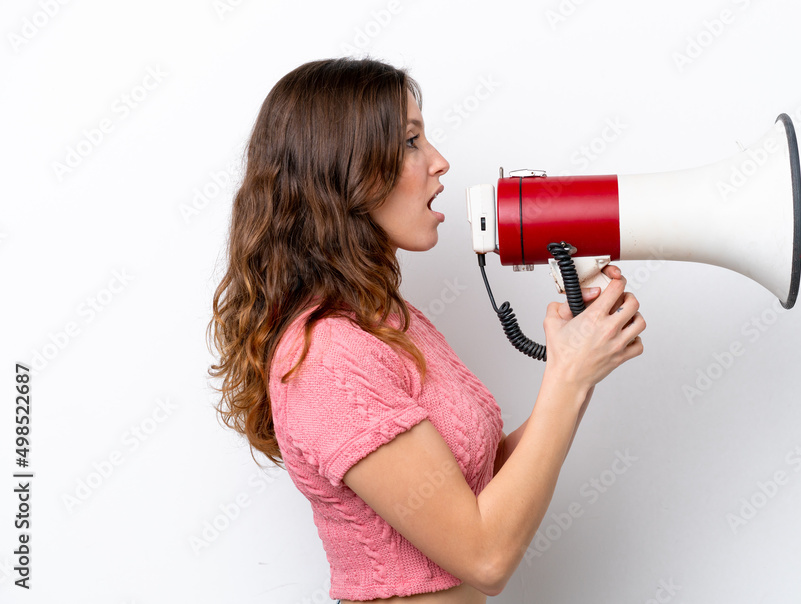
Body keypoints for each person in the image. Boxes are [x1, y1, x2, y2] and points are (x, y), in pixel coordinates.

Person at [208, 57, 645, 603]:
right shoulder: (327, 357)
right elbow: (485, 557)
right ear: (343, 172)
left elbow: (482, 490)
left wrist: (578, 363)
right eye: (411, 142)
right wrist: (570, 377)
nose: (439, 161)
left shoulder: (388, 322)